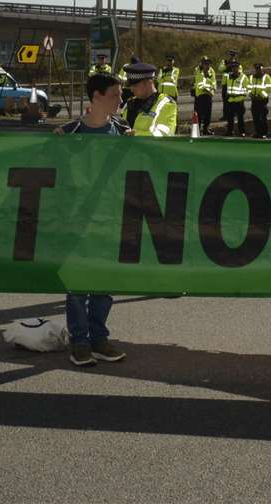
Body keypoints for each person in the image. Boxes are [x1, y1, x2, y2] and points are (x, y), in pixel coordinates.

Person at [54, 72, 129, 367]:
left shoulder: (123, 132)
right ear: (96, 96)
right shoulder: (69, 133)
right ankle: (79, 342)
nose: (120, 101)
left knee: (103, 282)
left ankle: (99, 339)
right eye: (115, 95)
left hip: (109, 217)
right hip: (76, 219)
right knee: (77, 286)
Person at [120, 62, 178, 137]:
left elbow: (164, 135)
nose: (131, 90)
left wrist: (136, 134)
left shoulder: (166, 104)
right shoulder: (129, 104)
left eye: (135, 85)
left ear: (148, 83)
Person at [220, 53, 250, 137]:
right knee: (230, 118)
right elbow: (226, 86)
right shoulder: (229, 76)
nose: (234, 69)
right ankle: (230, 131)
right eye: (232, 67)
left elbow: (247, 88)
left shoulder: (243, 77)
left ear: (238, 68)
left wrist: (241, 96)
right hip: (230, 100)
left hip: (239, 100)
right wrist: (227, 95)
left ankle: (242, 132)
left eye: (235, 67)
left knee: (240, 118)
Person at [191, 55, 217, 135]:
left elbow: (214, 83)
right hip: (199, 95)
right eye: (205, 63)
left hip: (208, 94)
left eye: (208, 63)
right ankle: (197, 129)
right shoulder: (198, 70)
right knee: (198, 113)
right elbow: (196, 79)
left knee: (207, 113)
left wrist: (212, 90)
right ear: (201, 64)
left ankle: (206, 129)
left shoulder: (212, 71)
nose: (207, 65)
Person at [248, 62, 271, 138]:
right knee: (255, 117)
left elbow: (268, 89)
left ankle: (264, 132)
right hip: (254, 100)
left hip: (262, 100)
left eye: (259, 69)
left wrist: (261, 96)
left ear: (262, 69)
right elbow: (248, 87)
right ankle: (257, 132)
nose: (258, 70)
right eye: (257, 69)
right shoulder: (252, 77)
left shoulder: (266, 77)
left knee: (263, 118)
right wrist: (251, 95)